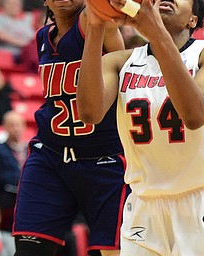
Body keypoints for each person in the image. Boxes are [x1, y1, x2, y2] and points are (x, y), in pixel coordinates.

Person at [77, 0, 204, 255]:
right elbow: (89, 114)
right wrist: (96, 28)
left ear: (192, 20)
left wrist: (157, 36)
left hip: (200, 200)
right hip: (143, 203)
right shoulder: (120, 62)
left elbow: (195, 116)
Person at [12, 0, 130, 256]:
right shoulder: (43, 36)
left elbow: (122, 73)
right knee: (29, 251)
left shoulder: (98, 24)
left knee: (110, 252)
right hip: (50, 157)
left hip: (103, 160)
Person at [0, 110, 28, 231]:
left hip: (27, 193)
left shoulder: (30, 148)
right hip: (8, 194)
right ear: (5, 128)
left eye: (19, 125)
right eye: (12, 125)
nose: (16, 128)